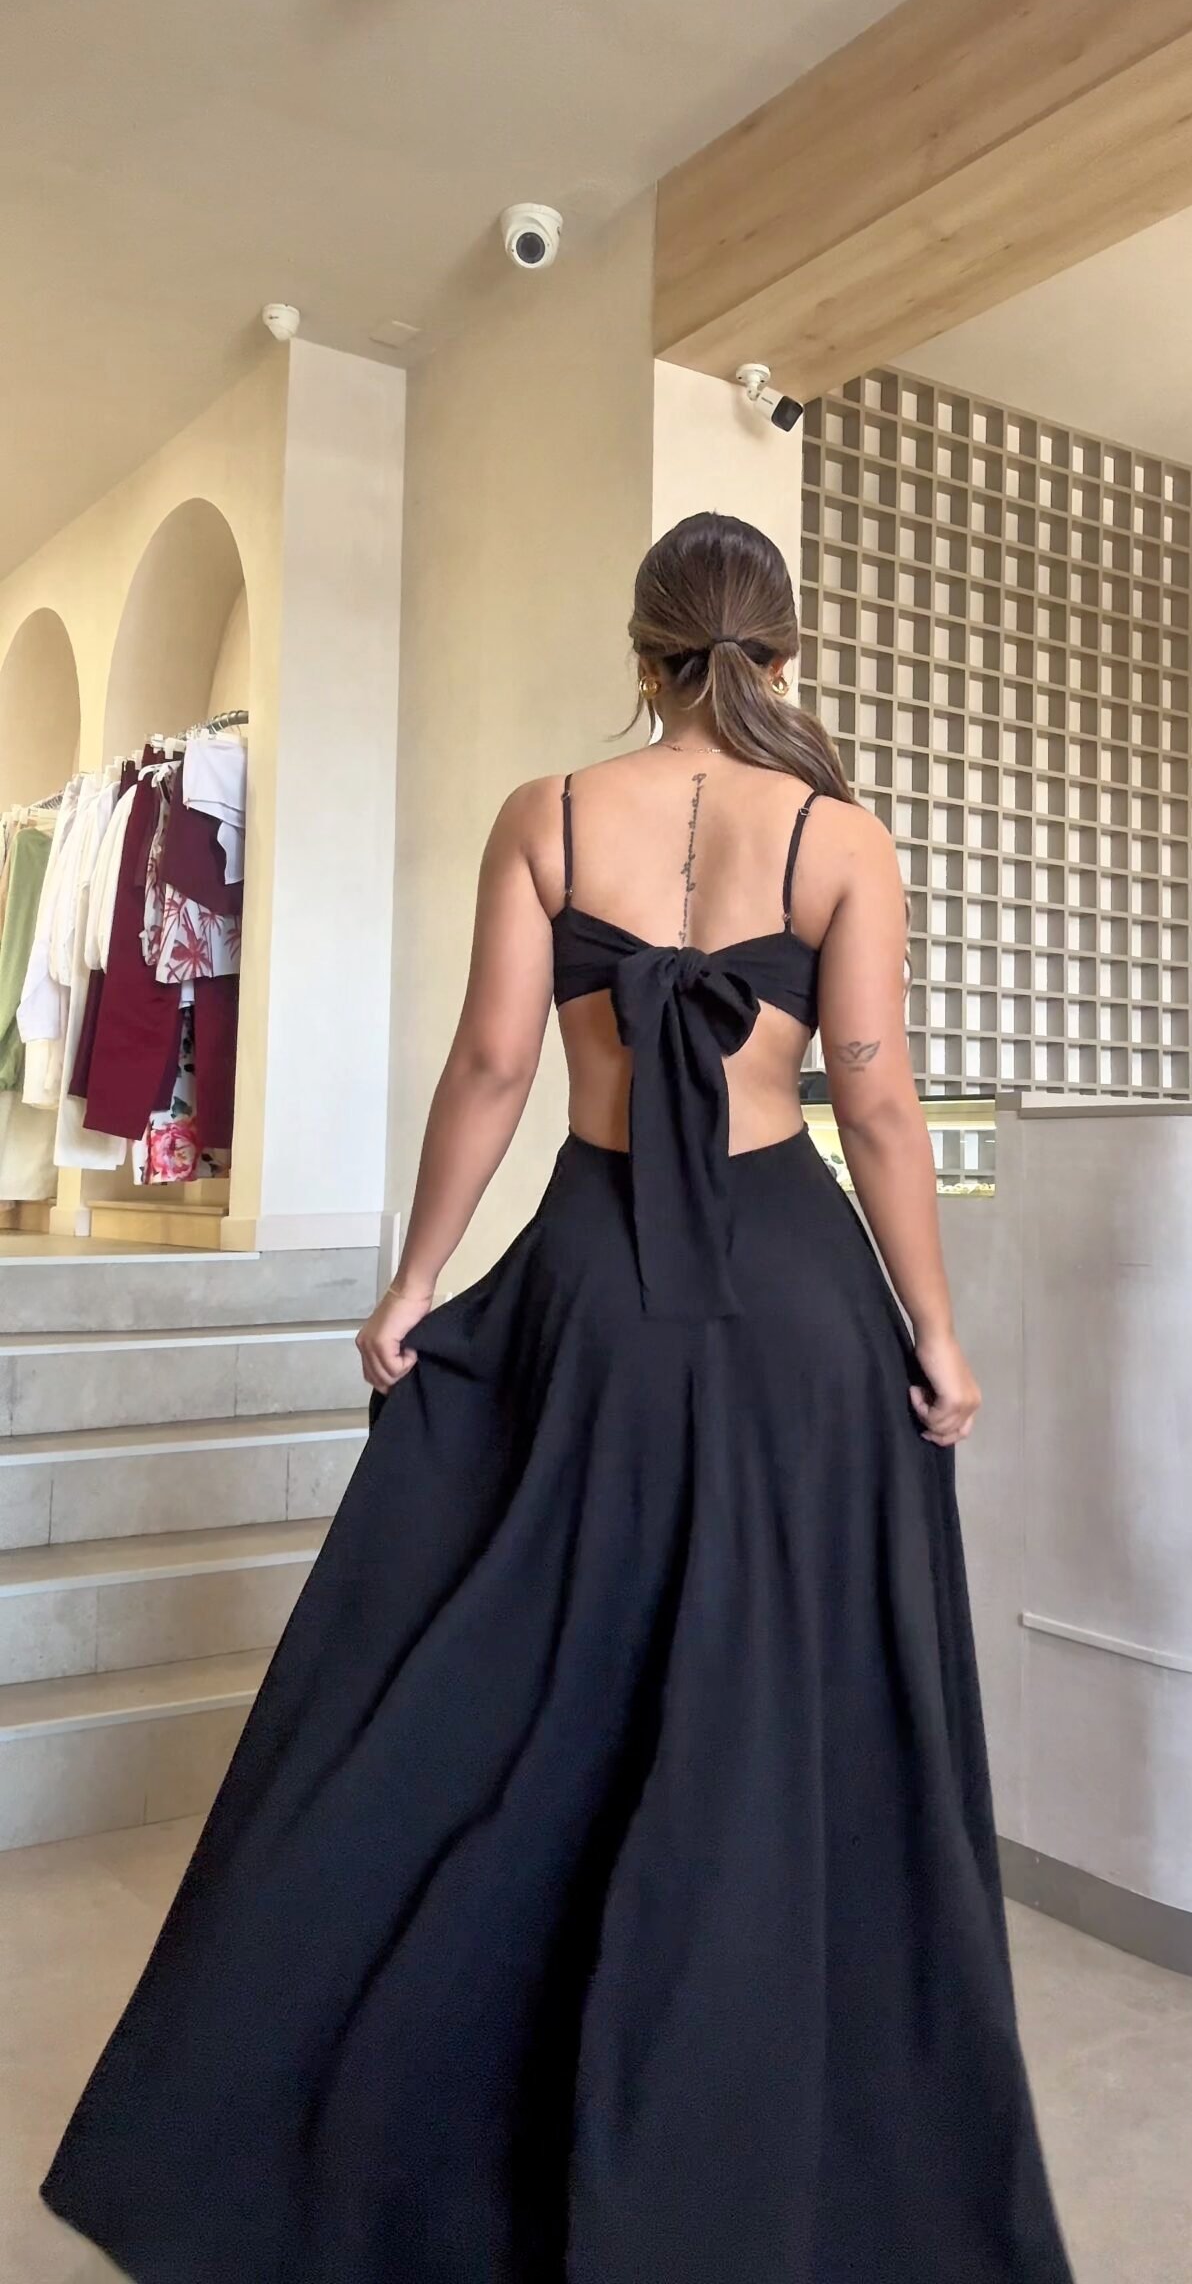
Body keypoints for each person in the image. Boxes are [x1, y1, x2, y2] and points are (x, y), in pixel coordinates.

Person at [43, 513, 1072, 2282]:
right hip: (794, 1299)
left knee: (534, 1680)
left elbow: (495, 1064)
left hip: (593, 1281)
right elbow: (880, 1108)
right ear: (787, 654)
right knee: (781, 1695)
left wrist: (415, 1282)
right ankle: (764, 2134)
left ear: (642, 649)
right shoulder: (841, 837)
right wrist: (940, 1330)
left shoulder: (548, 815)